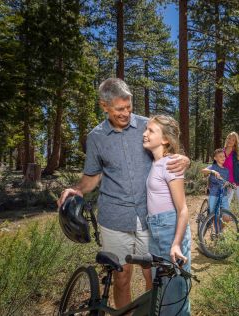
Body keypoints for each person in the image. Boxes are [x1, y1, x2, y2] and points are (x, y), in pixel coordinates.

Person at [56, 78, 189, 309]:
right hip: (114, 220)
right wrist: (77, 189)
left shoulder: (147, 127)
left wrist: (184, 159)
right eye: (119, 109)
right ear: (104, 106)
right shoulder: (96, 137)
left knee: (153, 277)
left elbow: (168, 148)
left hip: (149, 219)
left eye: (129, 107)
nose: (126, 113)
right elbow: (93, 176)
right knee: (121, 277)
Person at [143, 115, 191, 316]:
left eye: (151, 130)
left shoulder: (171, 163)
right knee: (161, 293)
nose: (145, 133)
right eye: (146, 129)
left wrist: (176, 243)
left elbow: (183, 209)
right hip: (155, 229)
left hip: (170, 229)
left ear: (165, 140)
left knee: (175, 297)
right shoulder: (155, 162)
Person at [201, 148, 230, 213]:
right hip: (214, 194)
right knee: (214, 215)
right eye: (220, 156)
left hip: (223, 195)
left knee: (227, 217)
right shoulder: (212, 167)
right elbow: (203, 171)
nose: (223, 158)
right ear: (215, 158)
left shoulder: (226, 170)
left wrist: (228, 184)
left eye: (223, 156)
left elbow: (227, 181)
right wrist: (212, 171)